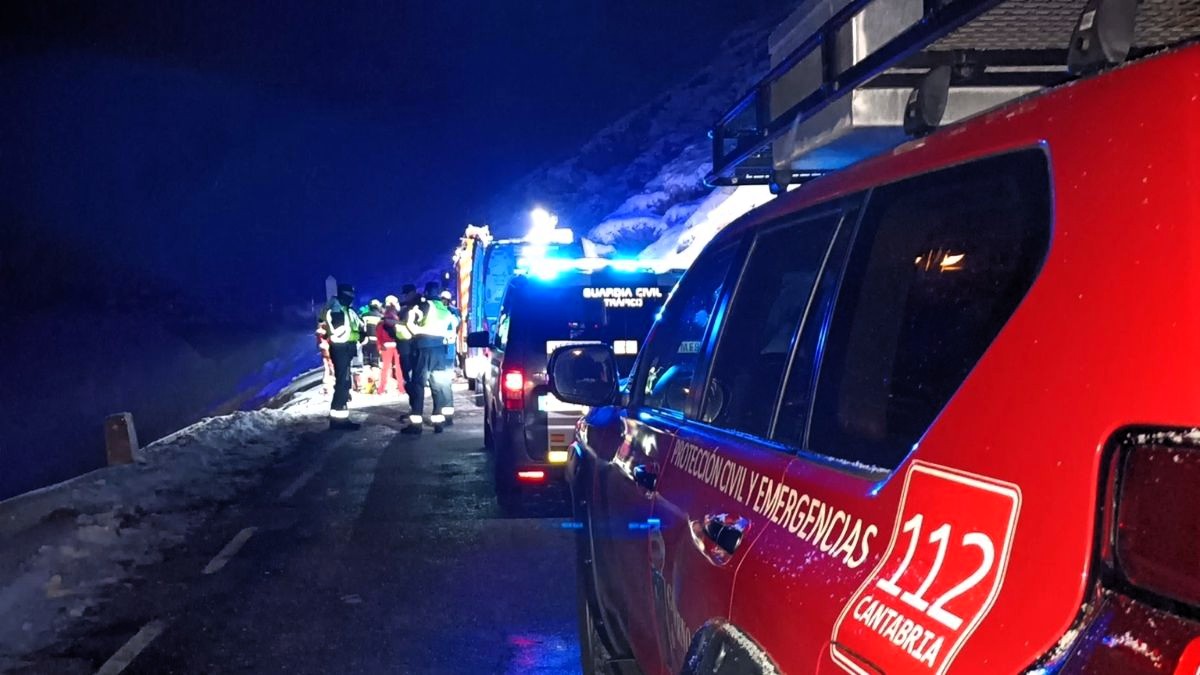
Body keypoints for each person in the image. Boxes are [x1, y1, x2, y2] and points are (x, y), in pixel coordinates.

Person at [402, 282, 457, 434]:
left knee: (418, 385)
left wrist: (415, 332)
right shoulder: (444, 309)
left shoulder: (425, 306)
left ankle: (416, 424)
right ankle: (438, 422)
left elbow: (410, 322)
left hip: (424, 347)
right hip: (440, 349)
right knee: (438, 386)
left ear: (426, 291)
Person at [319, 283, 367, 429]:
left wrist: (360, 334)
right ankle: (338, 421)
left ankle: (340, 418)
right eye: (350, 294)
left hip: (346, 348)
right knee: (342, 383)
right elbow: (339, 330)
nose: (352, 297)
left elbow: (358, 324)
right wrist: (357, 334)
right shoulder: (336, 309)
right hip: (341, 348)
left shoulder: (346, 309)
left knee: (344, 383)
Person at [377, 295, 404, 395]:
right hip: (397, 345)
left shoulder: (382, 321)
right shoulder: (398, 318)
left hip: (386, 346)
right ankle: (401, 388)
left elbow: (378, 334)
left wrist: (379, 346)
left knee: (385, 368)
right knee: (399, 367)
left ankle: (381, 389)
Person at [361, 299, 383, 370]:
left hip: (366, 340)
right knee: (375, 362)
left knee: (366, 362)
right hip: (377, 340)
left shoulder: (364, 316)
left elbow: (361, 328)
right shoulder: (381, 317)